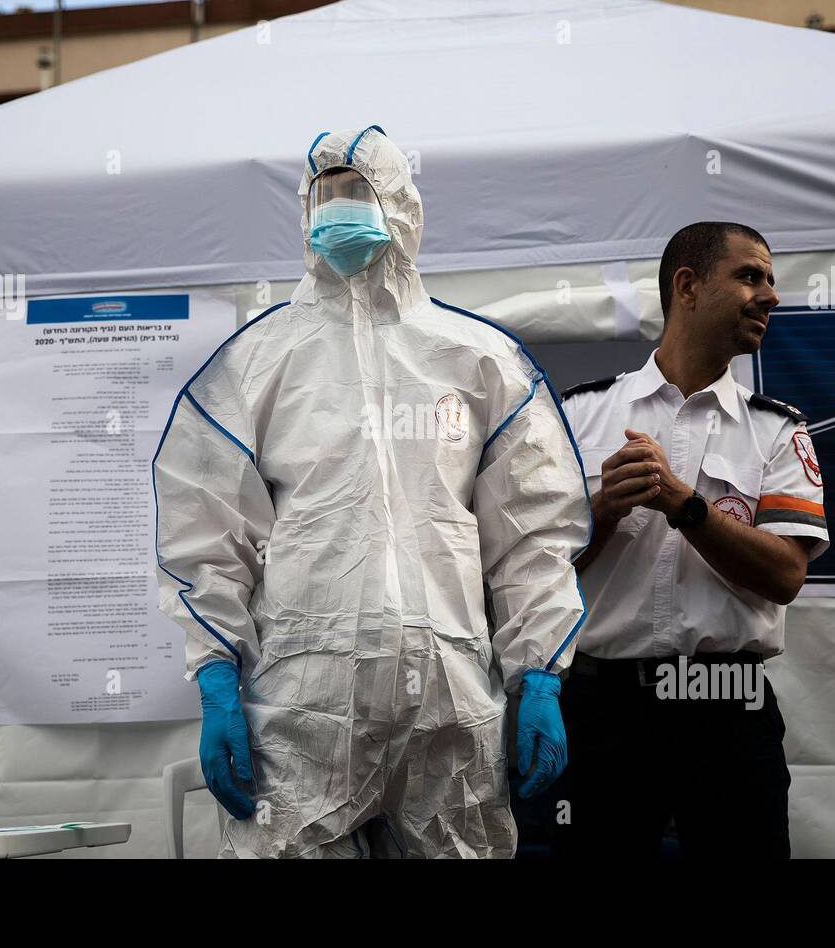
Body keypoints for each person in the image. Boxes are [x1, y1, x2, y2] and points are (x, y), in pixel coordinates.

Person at [152, 125, 590, 858]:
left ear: (402, 206)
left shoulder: (478, 358)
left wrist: (538, 672)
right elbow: (207, 531)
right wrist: (217, 675)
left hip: (449, 699)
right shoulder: (258, 362)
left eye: (358, 192)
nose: (339, 210)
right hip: (302, 703)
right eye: (326, 194)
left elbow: (533, 532)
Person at [551, 221, 829, 860]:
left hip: (729, 707)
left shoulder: (779, 430)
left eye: (770, 280)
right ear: (688, 286)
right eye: (750, 276)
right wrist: (604, 509)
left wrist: (683, 504)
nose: (770, 296)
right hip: (602, 709)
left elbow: (786, 575)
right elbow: (536, 569)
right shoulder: (577, 414)